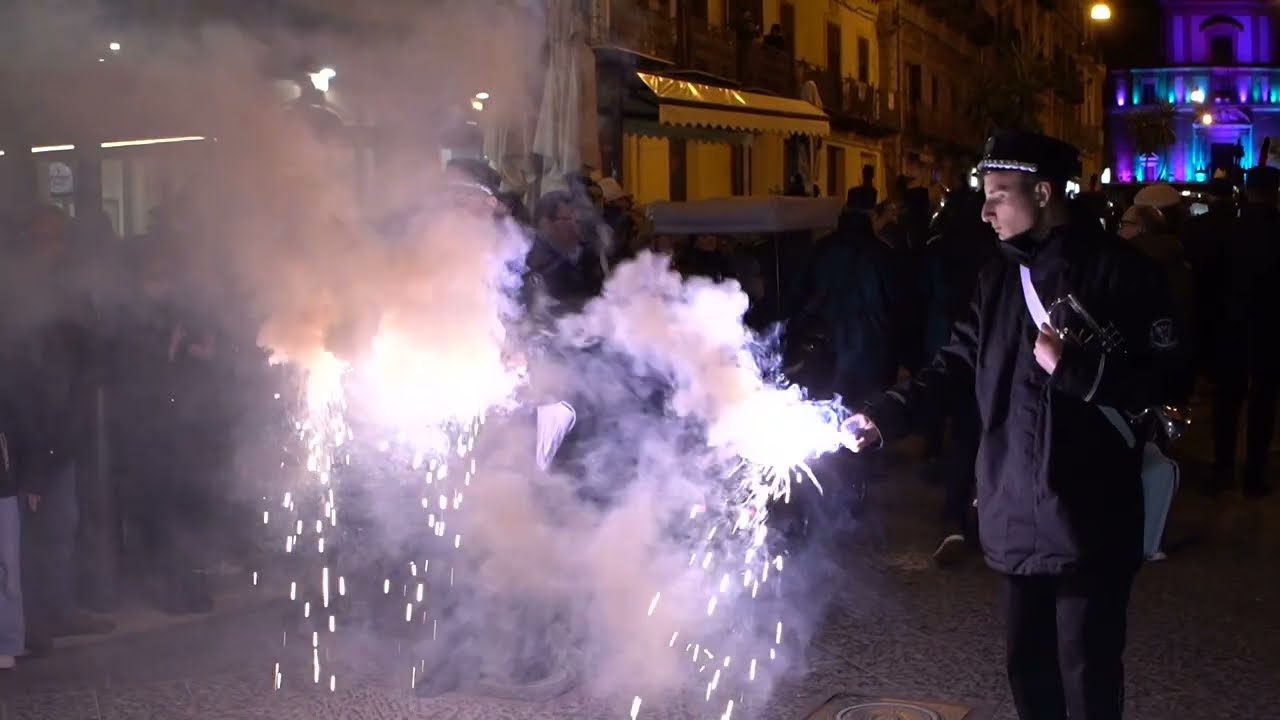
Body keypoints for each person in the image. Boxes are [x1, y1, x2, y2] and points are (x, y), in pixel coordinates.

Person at [842, 130, 1185, 720]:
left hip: (1088, 515)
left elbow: (1167, 381)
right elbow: (954, 365)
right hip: (1012, 509)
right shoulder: (998, 278)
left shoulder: (1124, 272)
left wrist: (1074, 370)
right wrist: (883, 416)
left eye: (998, 195)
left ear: (1043, 192)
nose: (985, 211)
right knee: (1027, 670)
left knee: (1088, 673)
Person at [1212, 165, 1280, 497]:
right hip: (1271, 326)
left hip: (1230, 325)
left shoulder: (1228, 230)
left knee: (1227, 400)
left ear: (1247, 192)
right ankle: (1254, 473)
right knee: (1263, 401)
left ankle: (1223, 468)